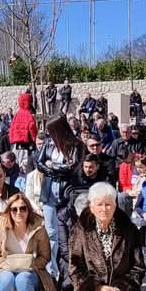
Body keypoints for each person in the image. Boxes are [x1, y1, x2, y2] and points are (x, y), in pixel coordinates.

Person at [36, 115, 85, 277]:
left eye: (51, 131)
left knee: (70, 231)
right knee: (50, 233)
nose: (48, 134)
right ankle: (51, 271)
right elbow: (39, 163)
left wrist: (52, 166)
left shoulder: (77, 145)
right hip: (49, 191)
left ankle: (73, 267)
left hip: (67, 192)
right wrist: (56, 168)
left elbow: (73, 168)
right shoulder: (49, 143)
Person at [9, 90, 39, 162]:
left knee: (18, 161)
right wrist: (35, 139)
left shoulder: (16, 114)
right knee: (28, 161)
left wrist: (11, 139)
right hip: (27, 142)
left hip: (17, 143)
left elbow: (12, 128)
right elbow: (32, 128)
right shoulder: (29, 115)